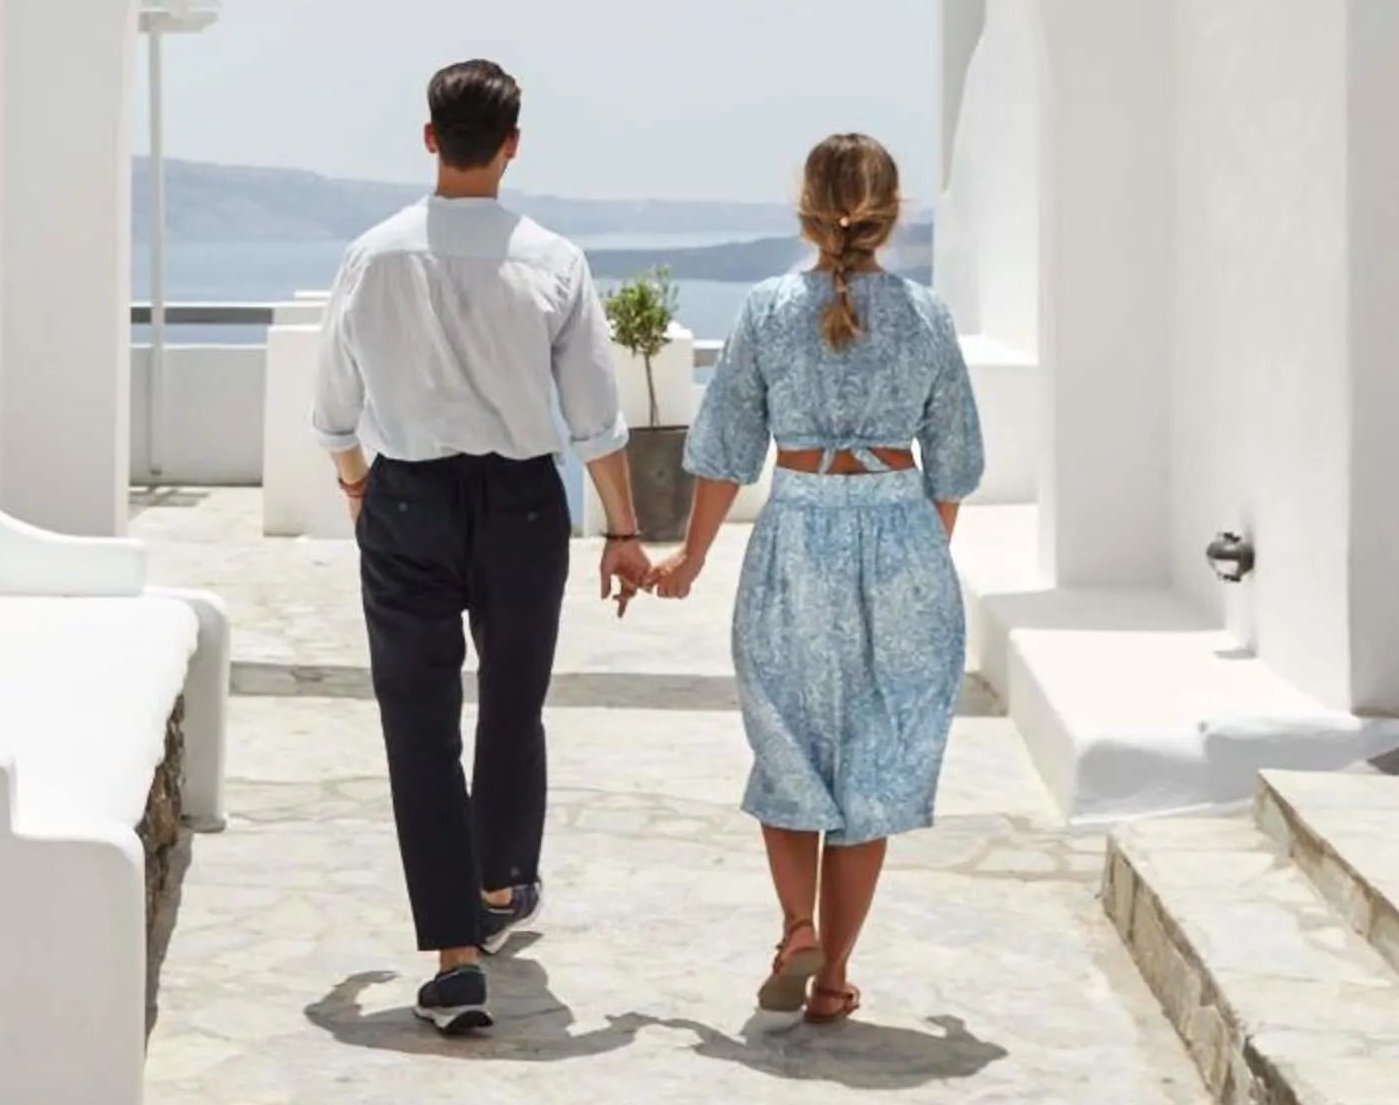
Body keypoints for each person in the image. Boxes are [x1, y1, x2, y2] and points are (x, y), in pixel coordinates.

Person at [312, 60, 651, 1035]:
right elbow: (596, 418)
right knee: (512, 700)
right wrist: (623, 533)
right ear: (510, 144)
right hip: (520, 505)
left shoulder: (371, 256)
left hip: (406, 497)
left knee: (416, 723)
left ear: (428, 139)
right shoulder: (551, 259)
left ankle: (455, 956)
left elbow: (331, 411)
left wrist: (356, 490)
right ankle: (500, 891)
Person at [637, 132, 983, 1025]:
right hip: (901, 532)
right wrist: (918, 562)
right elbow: (954, 466)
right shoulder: (928, 316)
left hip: (796, 536)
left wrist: (692, 557)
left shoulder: (764, 310)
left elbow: (721, 454)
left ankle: (798, 928)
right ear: (891, 211)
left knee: (786, 738)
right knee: (870, 768)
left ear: (805, 208)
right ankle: (834, 982)